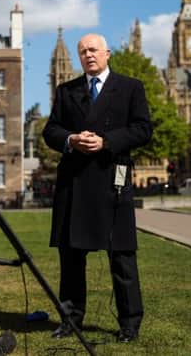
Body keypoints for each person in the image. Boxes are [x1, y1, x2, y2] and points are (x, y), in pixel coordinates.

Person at [43, 33, 152, 343]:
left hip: (112, 180)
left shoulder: (131, 87)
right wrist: (70, 139)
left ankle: (130, 324)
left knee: (122, 258)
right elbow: (51, 130)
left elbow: (143, 129)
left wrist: (107, 141)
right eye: (83, 52)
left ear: (107, 54)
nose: (88, 55)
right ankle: (70, 321)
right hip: (74, 184)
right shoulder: (67, 91)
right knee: (71, 260)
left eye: (93, 50)